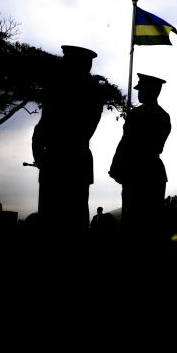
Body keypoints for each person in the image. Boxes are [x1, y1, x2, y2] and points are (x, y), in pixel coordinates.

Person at [32, 45, 104, 238]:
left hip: (57, 159)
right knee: (74, 221)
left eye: (67, 60)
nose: (63, 63)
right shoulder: (93, 91)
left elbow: (45, 124)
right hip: (76, 159)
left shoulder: (61, 88)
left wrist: (39, 153)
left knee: (53, 222)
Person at [109, 73, 171, 249]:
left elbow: (126, 143)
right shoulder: (164, 116)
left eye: (141, 89)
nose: (138, 93)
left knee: (132, 224)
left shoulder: (136, 114)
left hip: (136, 173)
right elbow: (158, 147)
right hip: (155, 172)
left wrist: (115, 167)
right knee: (152, 224)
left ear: (151, 91)